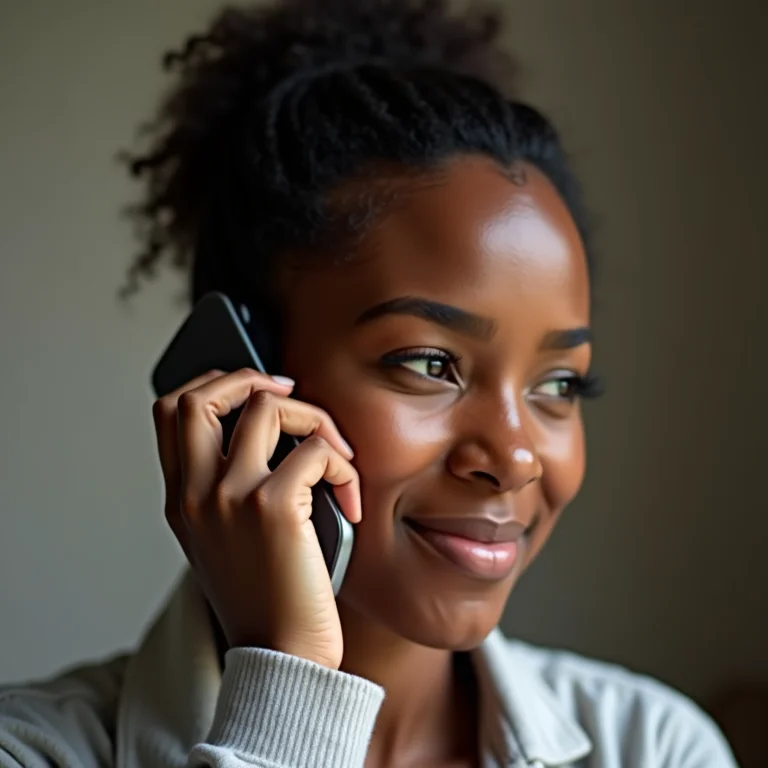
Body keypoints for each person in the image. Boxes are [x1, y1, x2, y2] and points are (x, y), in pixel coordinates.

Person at [0, 1, 737, 766]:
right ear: (239, 382)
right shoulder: (31, 750)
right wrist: (288, 683)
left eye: (558, 383)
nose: (516, 457)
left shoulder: (653, 746)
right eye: (430, 363)